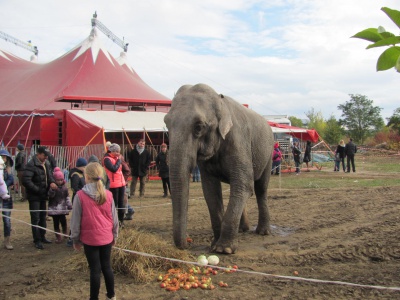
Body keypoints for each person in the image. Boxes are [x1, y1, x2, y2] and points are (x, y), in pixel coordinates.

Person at [70, 162, 118, 300]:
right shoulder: (108, 194)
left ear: (86, 176)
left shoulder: (80, 196)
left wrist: (75, 239)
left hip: (90, 239)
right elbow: (114, 218)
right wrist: (115, 235)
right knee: (107, 267)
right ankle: (111, 295)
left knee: (95, 270)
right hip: (106, 237)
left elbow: (75, 220)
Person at [22, 146, 57, 250]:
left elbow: (49, 176)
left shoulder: (46, 163)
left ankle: (42, 236)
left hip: (43, 195)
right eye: (44, 155)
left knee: (42, 217)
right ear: (39, 154)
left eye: (47, 155)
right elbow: (26, 181)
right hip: (34, 196)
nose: (46, 157)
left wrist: (52, 182)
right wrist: (37, 190)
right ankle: (36, 240)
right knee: (35, 218)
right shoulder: (31, 164)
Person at [67, 157, 87, 246]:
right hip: (78, 198)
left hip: (83, 197)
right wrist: (82, 193)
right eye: (84, 167)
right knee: (77, 218)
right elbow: (75, 188)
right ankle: (71, 238)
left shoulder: (82, 174)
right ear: (80, 167)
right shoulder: (75, 175)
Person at [104, 143, 126, 226]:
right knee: (114, 203)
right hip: (113, 185)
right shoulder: (107, 159)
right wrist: (119, 161)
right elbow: (113, 169)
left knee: (122, 203)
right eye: (116, 152)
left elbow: (122, 169)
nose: (118, 153)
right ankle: (113, 221)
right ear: (112, 151)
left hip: (121, 183)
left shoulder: (117, 158)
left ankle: (121, 220)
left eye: (119, 151)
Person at [48, 167, 72, 243]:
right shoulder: (52, 188)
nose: (59, 182)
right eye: (58, 180)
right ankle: (58, 236)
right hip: (54, 210)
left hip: (62, 209)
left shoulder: (65, 188)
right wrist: (52, 190)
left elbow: (67, 197)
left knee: (63, 221)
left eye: (61, 180)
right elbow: (50, 196)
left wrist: (69, 205)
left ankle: (65, 233)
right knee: (56, 223)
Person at [0, 150, 14, 250]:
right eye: (2, 157)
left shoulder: (7, 170)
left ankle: (7, 240)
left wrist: (3, 184)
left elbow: (11, 180)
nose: (4, 159)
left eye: (5, 158)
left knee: (7, 220)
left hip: (6, 198)